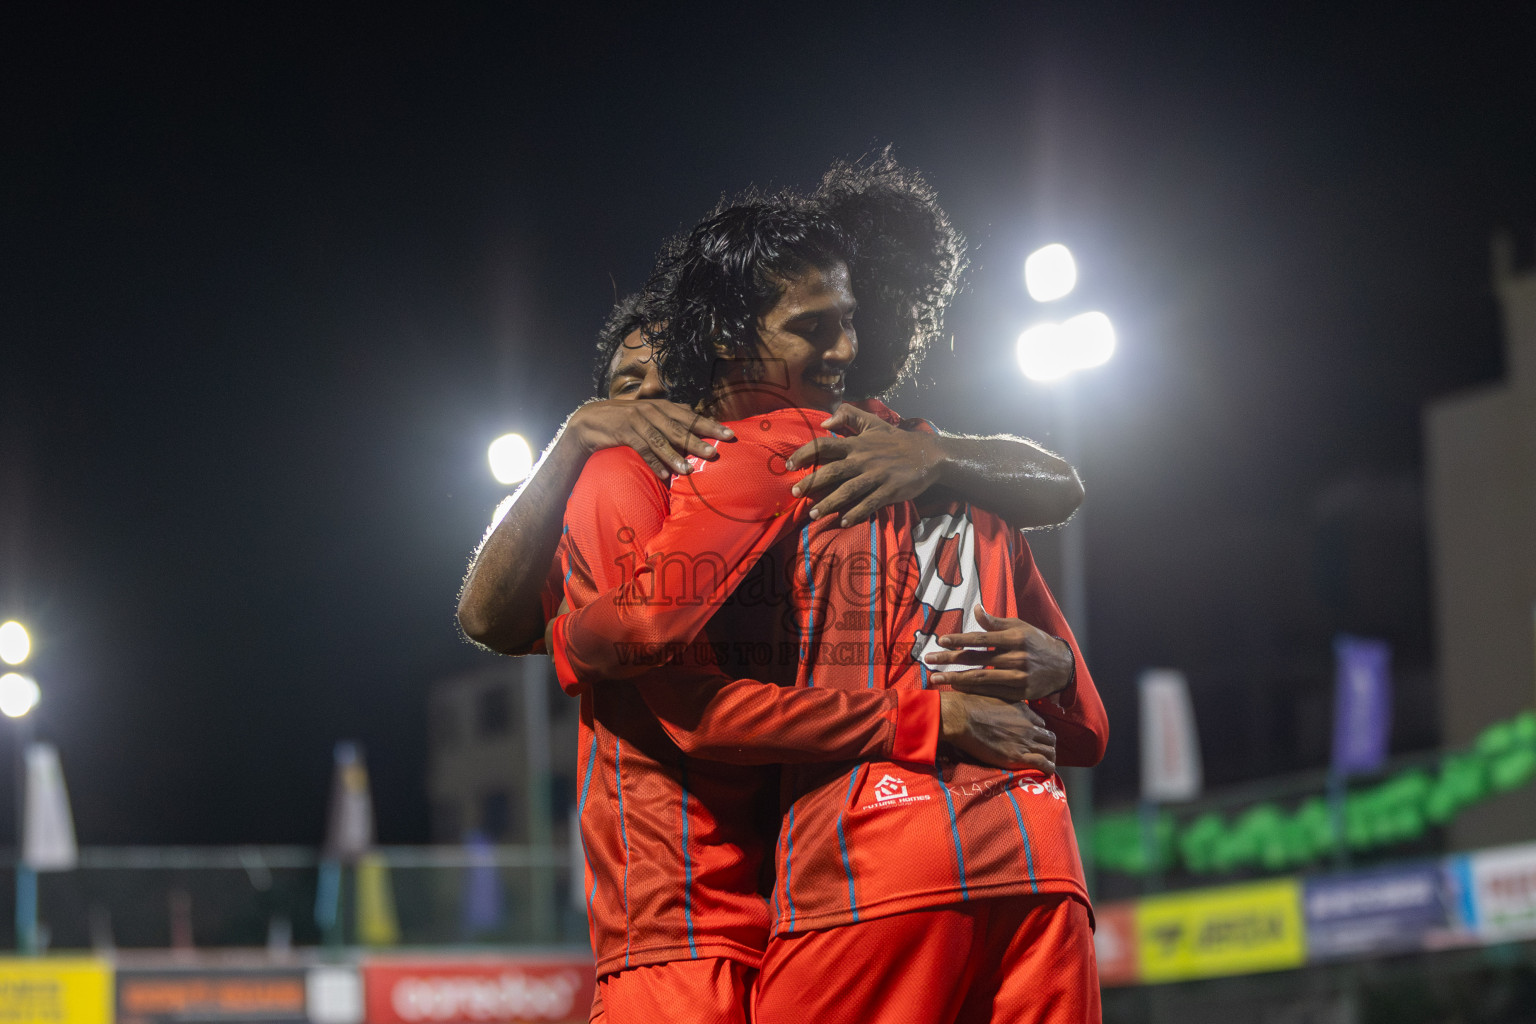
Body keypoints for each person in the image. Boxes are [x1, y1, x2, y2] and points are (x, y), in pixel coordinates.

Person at [551, 192, 1107, 1023]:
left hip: (871, 861)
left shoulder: (764, 454)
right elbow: (1088, 729)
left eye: (842, 321)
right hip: (1045, 862)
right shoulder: (960, 471)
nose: (845, 345)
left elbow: (637, 635)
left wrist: (565, 628)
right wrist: (1058, 667)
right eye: (817, 327)